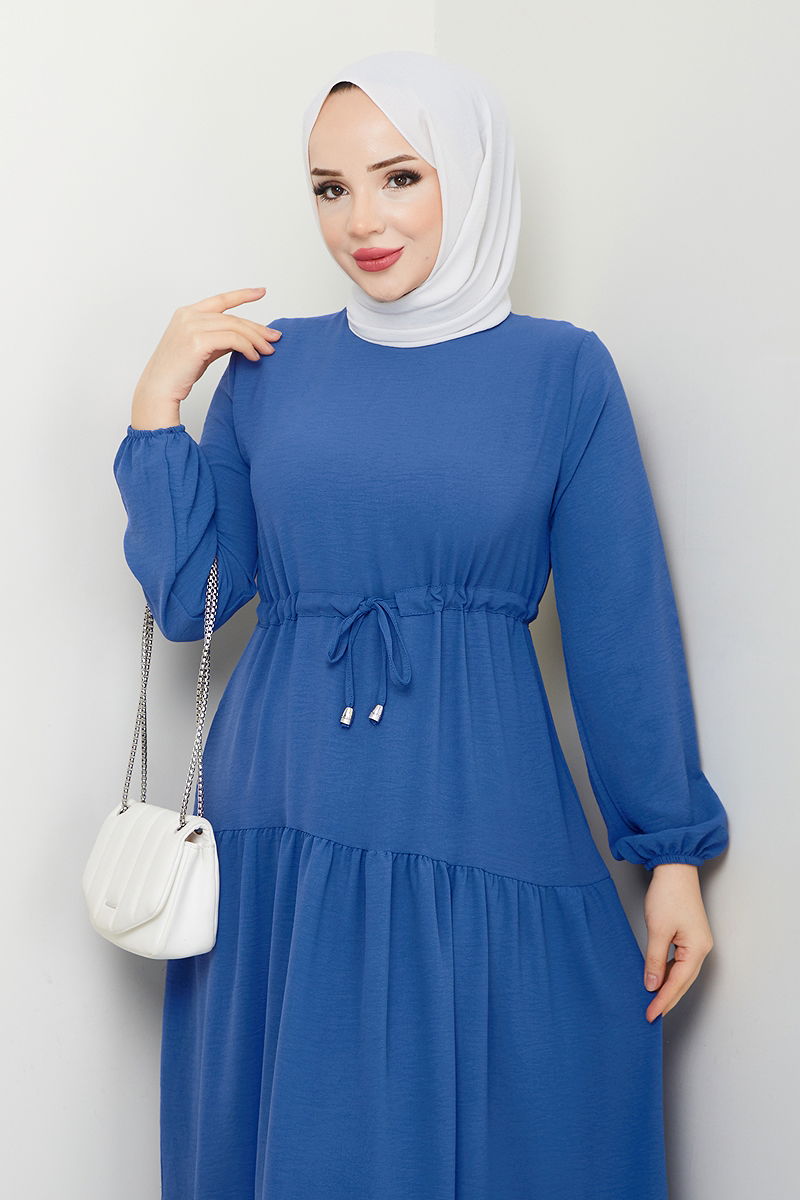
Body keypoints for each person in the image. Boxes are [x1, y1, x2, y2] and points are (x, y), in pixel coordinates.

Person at [113, 48, 729, 1200]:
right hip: (279, 803)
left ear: (470, 175)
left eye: (399, 177)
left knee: (533, 1098)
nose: (361, 221)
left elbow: (619, 625)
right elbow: (190, 599)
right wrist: (157, 407)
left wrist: (670, 855)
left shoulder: (560, 373)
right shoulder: (269, 371)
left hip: (473, 796)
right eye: (329, 188)